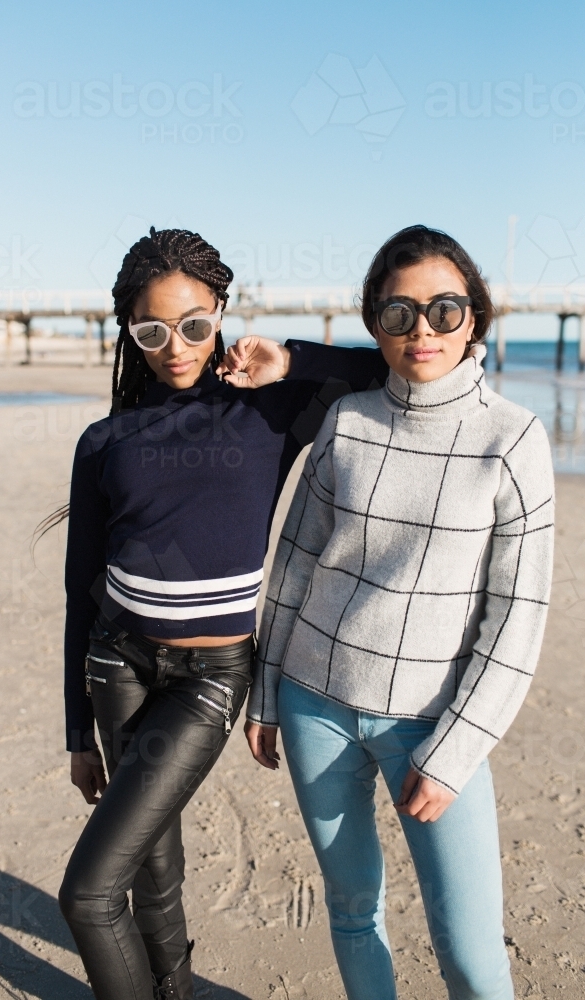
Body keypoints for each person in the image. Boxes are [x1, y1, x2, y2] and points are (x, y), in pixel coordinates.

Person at [52, 227, 388, 1000]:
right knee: (150, 869)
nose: (176, 346)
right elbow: (78, 592)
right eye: (153, 329)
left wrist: (293, 359)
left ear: (221, 314)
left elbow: (389, 365)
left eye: (195, 324)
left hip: (206, 679)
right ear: (130, 333)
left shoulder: (271, 410)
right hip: (116, 664)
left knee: (87, 894)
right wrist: (76, 733)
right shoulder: (104, 439)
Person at [245, 225, 554, 1000]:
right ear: (373, 322)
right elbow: (291, 569)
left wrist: (454, 751)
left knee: (472, 957)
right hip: (312, 705)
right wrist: (264, 692)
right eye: (399, 312)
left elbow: (516, 617)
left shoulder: (512, 439)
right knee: (352, 916)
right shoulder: (346, 423)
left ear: (474, 319)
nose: (422, 329)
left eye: (444, 310)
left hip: (430, 723)